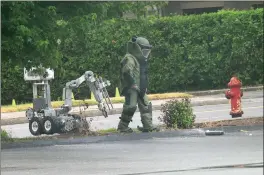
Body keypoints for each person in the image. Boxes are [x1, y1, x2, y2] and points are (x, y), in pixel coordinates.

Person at [117, 36, 159, 133]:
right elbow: (126, 72)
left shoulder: (141, 59)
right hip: (131, 87)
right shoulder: (130, 58)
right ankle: (122, 127)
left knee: (146, 105)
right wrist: (132, 84)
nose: (146, 52)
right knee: (130, 106)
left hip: (140, 86)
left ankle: (148, 126)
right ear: (137, 48)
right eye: (144, 50)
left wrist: (143, 86)